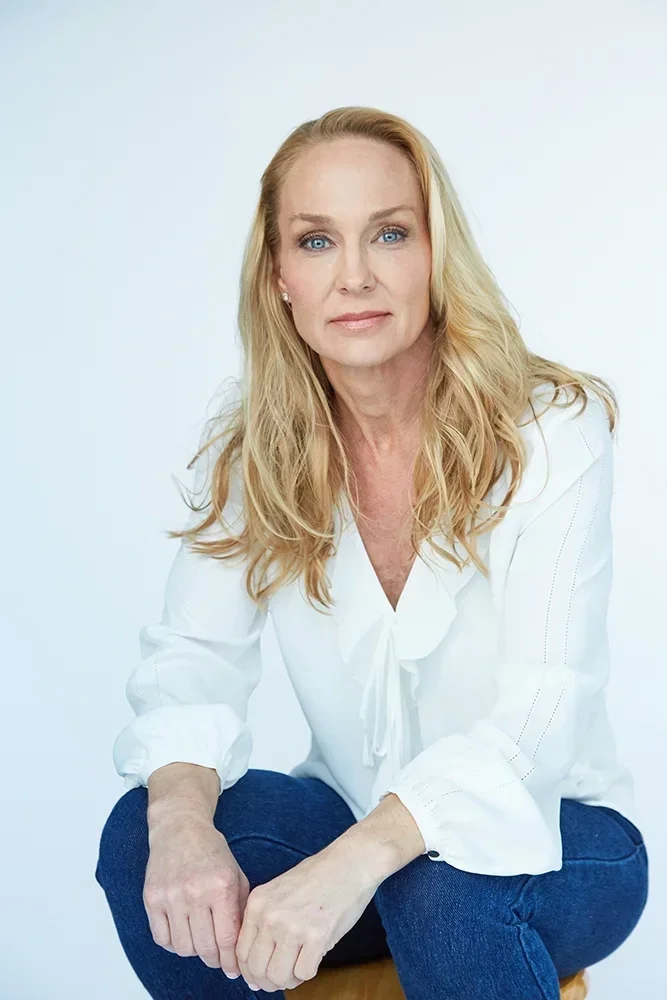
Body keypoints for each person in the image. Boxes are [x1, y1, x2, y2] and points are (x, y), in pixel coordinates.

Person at [94, 106, 649, 999]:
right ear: (278, 275)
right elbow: (192, 665)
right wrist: (182, 821)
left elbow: (541, 713)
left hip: (559, 832)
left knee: (440, 886)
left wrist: (353, 862)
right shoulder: (258, 453)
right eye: (316, 243)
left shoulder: (548, 429)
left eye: (388, 233)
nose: (353, 275)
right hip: (352, 829)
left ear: (435, 254)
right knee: (144, 833)